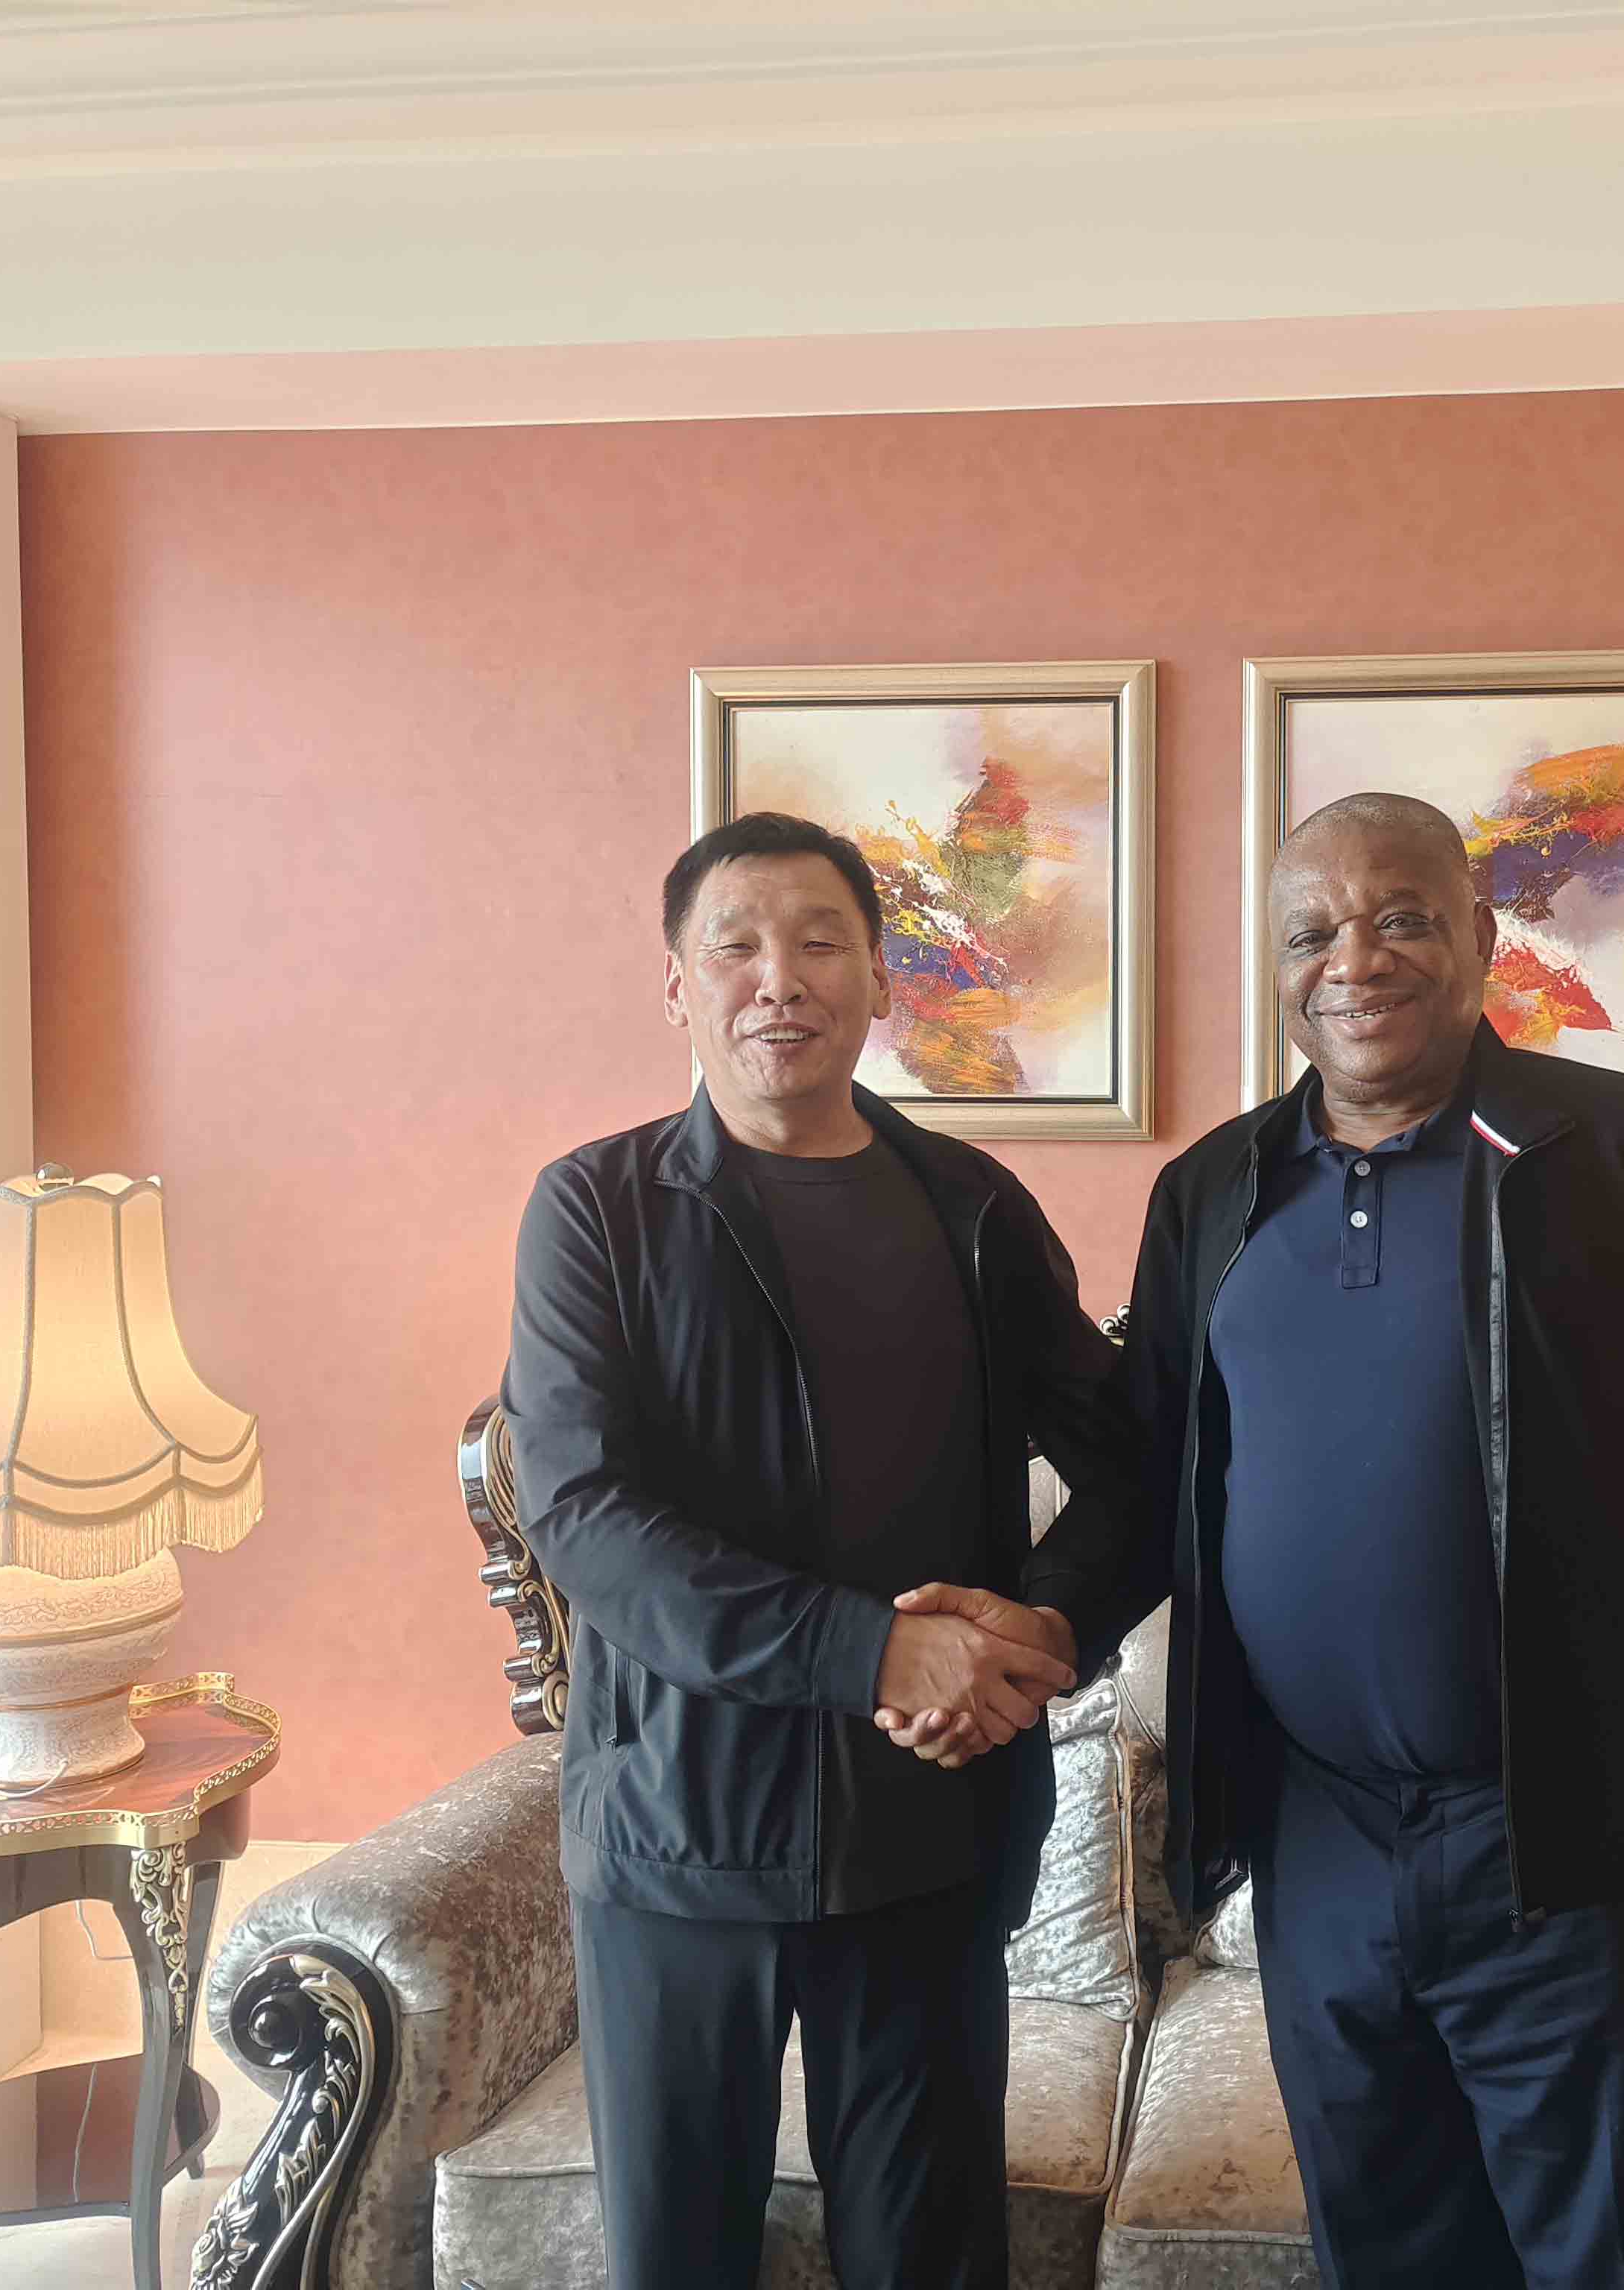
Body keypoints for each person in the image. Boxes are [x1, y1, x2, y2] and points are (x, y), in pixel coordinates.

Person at [916, 790, 1624, 2288]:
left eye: (1400, 918)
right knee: (1387, 2257)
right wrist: (1042, 1622)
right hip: (1319, 1842)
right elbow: (1154, 1482)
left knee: (1613, 2259)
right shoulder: (1212, 1190)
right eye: (1312, 934)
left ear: (1478, 935)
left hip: (1570, 1849)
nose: (1355, 960)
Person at [501, 810, 1131, 2290]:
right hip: (677, 1831)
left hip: (929, 1826)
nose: (778, 978)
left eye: (819, 942)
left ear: (880, 979)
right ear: (678, 987)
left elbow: (1131, 1460)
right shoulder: (596, 1210)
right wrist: (870, 1651)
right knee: (680, 2257)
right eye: (735, 947)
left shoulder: (971, 1208)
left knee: (931, 2256)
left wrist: (1045, 1629)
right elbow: (582, 1515)